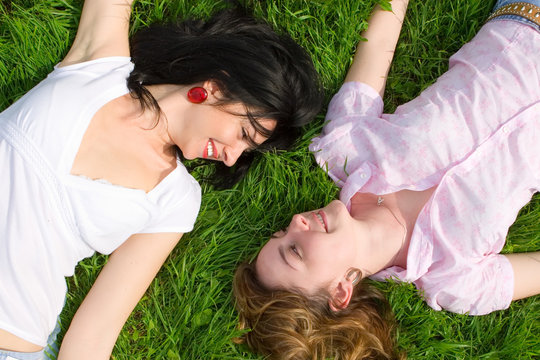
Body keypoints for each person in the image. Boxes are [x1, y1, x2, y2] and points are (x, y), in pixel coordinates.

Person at [0, 0, 322, 358]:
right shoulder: (98, 68)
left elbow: (99, 327)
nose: (232, 156)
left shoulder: (176, 199)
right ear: (218, 86)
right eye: (243, 134)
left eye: (245, 152)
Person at [233, 0, 540, 358]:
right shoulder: (455, 280)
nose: (295, 222)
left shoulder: (346, 151)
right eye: (295, 251)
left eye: (281, 232)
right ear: (340, 292)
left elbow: (379, 45)